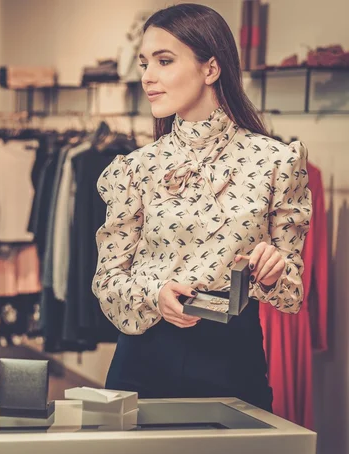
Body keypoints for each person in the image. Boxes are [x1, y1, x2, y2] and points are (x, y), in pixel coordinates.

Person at [92, 4, 312, 411]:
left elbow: (293, 293)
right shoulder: (134, 169)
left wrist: (271, 273)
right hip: (142, 361)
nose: (147, 77)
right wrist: (155, 294)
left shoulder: (276, 162)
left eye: (164, 61)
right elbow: (107, 284)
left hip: (232, 361)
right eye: (144, 63)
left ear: (210, 69)